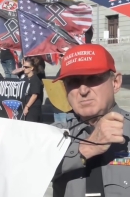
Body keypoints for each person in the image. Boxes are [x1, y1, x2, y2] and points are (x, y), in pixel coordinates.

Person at [52, 44, 130, 197]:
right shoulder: (53, 135)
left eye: (93, 78)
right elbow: (27, 172)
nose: (83, 91)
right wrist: (86, 149)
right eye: (73, 81)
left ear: (116, 82)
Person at [22, 57, 43, 122]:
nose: (24, 68)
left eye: (26, 67)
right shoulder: (25, 78)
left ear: (32, 68)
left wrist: (27, 107)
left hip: (33, 108)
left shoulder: (35, 80)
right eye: (23, 66)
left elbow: (34, 95)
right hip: (25, 105)